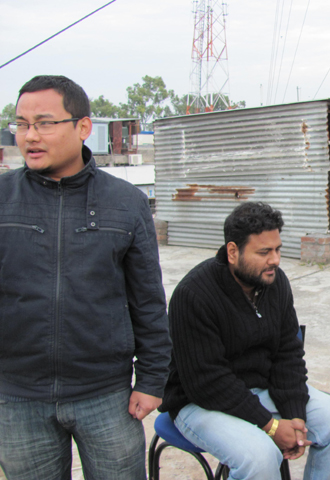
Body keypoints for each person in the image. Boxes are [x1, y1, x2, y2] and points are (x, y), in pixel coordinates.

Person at [0, 75, 172, 480]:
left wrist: (151, 379)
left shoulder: (126, 203)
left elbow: (148, 300)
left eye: (44, 123)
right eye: (21, 124)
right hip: (17, 396)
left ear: (82, 127)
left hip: (106, 394)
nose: (30, 136)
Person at [160, 201, 330, 480]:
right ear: (232, 252)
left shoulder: (275, 282)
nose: (275, 260)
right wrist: (271, 426)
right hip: (199, 402)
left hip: (261, 389)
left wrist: (295, 414)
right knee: (260, 457)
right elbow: (207, 381)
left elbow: (288, 352)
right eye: (264, 252)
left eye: (277, 249)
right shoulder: (193, 295)